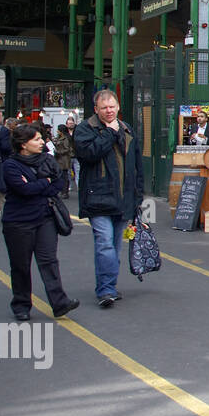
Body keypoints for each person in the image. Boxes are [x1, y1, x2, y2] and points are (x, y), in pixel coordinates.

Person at [0, 123, 80, 322]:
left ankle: (60, 302)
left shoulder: (47, 159)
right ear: (23, 144)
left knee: (49, 261)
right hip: (18, 222)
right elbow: (23, 190)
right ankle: (21, 305)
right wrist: (44, 182)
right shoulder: (10, 165)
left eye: (41, 138)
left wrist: (39, 185)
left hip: (45, 218)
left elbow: (58, 184)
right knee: (20, 265)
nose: (42, 142)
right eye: (36, 139)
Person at [74, 90, 144, 309]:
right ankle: (106, 290)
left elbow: (136, 165)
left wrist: (138, 196)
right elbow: (89, 154)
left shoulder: (127, 129)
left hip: (124, 199)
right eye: (104, 108)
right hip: (98, 199)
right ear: (96, 109)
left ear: (118, 107)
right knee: (104, 244)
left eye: (112, 106)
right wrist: (109, 134)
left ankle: (108, 286)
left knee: (114, 246)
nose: (109, 111)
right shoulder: (85, 129)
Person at [53, 120, 75, 198]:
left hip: (64, 159)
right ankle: (63, 191)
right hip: (60, 159)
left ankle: (64, 191)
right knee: (62, 175)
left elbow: (67, 149)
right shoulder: (60, 138)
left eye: (58, 130)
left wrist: (58, 151)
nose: (57, 131)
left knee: (64, 176)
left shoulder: (65, 139)